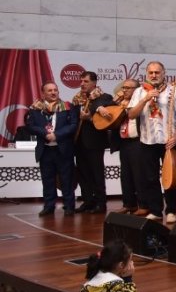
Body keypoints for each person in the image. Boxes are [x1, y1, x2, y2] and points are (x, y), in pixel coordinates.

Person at [127, 61, 176, 224]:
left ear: (163, 73)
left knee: (170, 177)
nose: (154, 75)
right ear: (146, 74)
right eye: (151, 72)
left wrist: (175, 136)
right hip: (147, 141)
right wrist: (145, 99)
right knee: (150, 178)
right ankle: (155, 210)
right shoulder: (139, 92)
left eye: (157, 72)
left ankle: (171, 211)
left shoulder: (173, 90)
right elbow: (131, 115)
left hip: (169, 141)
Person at [27, 82, 78, 216]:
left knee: (66, 179)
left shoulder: (67, 107)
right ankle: (49, 206)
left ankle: (69, 206)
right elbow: (31, 126)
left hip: (63, 150)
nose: (53, 92)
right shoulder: (35, 108)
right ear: (43, 93)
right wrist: (45, 134)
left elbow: (73, 125)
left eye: (55, 90)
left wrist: (56, 135)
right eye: (49, 91)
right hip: (45, 151)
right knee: (47, 180)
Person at [72, 71, 114, 214]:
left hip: (94, 142)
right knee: (83, 174)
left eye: (86, 81)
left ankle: (101, 203)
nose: (82, 83)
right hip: (78, 142)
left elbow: (101, 107)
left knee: (97, 173)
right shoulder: (77, 98)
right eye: (81, 81)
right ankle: (87, 201)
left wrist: (89, 118)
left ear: (94, 83)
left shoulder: (104, 97)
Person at [111, 79, 144, 215]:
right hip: (124, 142)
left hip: (138, 142)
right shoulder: (118, 103)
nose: (125, 90)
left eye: (128, 88)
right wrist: (116, 103)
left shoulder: (140, 103)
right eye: (124, 87)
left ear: (136, 90)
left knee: (139, 175)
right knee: (125, 175)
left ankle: (143, 204)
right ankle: (128, 204)